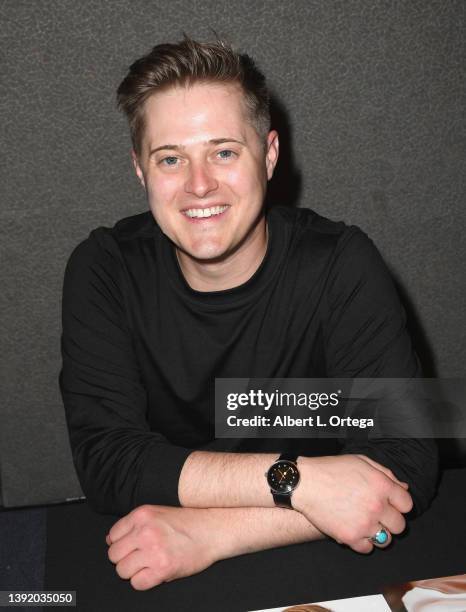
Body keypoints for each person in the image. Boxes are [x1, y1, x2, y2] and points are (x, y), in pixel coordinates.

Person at [60, 35, 438, 592]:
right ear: (140, 171)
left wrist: (214, 534)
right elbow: (106, 461)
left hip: (324, 559)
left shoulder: (340, 262)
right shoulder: (104, 268)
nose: (199, 184)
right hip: (163, 565)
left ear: (269, 153)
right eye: (170, 159)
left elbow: (409, 457)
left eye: (224, 151)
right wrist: (297, 480)